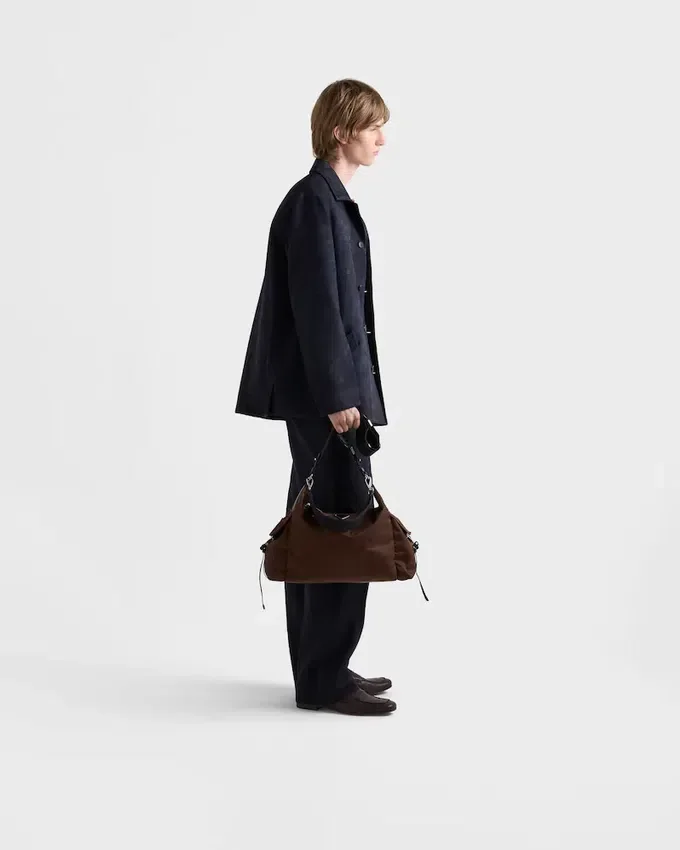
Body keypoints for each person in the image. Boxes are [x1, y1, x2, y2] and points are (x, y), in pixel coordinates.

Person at [235, 79, 396, 716]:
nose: (382, 139)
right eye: (373, 126)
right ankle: (324, 679)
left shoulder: (328, 201)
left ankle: (323, 668)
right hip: (328, 399)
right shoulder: (312, 203)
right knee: (340, 527)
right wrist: (338, 395)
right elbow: (318, 310)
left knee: (321, 523)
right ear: (340, 132)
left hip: (333, 395)